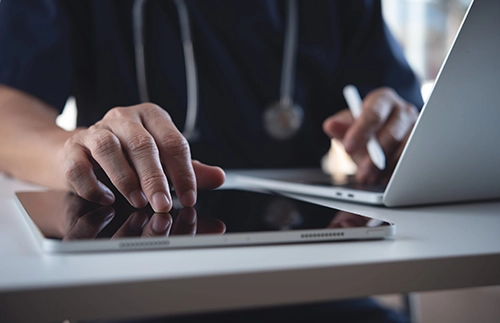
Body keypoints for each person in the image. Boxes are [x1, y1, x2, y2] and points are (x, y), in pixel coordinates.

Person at [0, 0, 422, 322]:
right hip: (140, 289)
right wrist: (74, 151)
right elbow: (8, 112)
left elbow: (399, 107)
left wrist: (397, 125)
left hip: (308, 280)